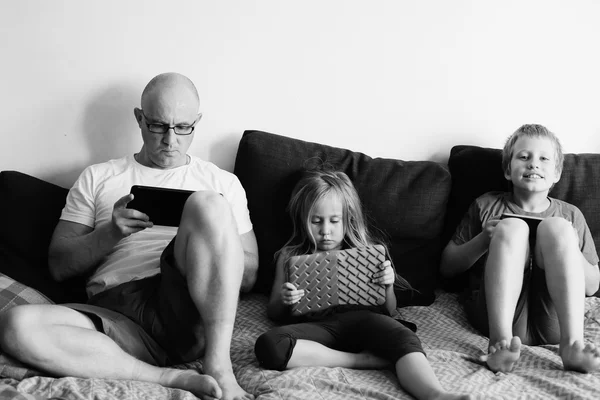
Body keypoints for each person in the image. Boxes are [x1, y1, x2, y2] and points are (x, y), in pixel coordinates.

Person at [0, 72, 259, 400]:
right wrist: (110, 233)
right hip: (115, 314)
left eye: (182, 127)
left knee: (207, 203)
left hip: (185, 304)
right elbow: (59, 265)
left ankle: (219, 366)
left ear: (197, 122)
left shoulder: (221, 182)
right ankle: (165, 378)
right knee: (15, 326)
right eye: (158, 125)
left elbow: (249, 275)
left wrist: (202, 238)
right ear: (139, 118)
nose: (170, 140)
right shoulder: (99, 177)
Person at [254, 169, 470, 400]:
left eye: (334, 221)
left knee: (404, 338)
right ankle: (362, 360)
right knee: (270, 344)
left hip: (367, 320)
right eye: (316, 221)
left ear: (348, 218)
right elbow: (274, 312)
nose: (325, 231)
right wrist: (286, 300)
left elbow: (390, 310)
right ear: (302, 218)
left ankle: (435, 395)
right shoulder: (291, 256)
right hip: (320, 327)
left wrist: (387, 285)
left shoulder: (367, 253)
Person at [440, 124, 600, 374]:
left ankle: (571, 345)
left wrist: (569, 246)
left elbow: (592, 286)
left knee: (556, 228)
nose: (533, 164)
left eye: (544, 158)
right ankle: (499, 345)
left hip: (554, 319)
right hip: (498, 316)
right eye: (524, 157)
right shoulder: (486, 204)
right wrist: (483, 239)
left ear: (557, 173)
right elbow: (447, 268)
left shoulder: (570, 215)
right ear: (507, 169)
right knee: (511, 228)